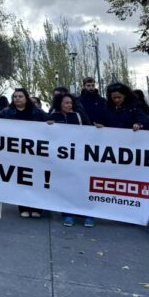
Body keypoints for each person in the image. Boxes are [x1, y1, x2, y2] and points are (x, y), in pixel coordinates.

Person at [0, 88, 48, 219]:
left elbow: (49, 122)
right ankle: (23, 207)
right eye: (15, 96)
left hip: (34, 151)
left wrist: (50, 123)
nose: (17, 98)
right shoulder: (6, 112)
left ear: (26, 98)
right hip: (16, 151)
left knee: (36, 180)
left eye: (20, 96)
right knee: (21, 179)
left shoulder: (37, 112)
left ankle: (37, 208)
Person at [47, 92, 94, 227]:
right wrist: (47, 126)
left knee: (82, 185)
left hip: (79, 156)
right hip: (61, 158)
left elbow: (90, 131)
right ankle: (68, 214)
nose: (69, 105)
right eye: (66, 103)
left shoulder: (79, 116)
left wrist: (98, 128)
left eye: (71, 103)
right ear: (59, 104)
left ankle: (88, 215)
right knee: (66, 187)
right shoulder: (53, 117)